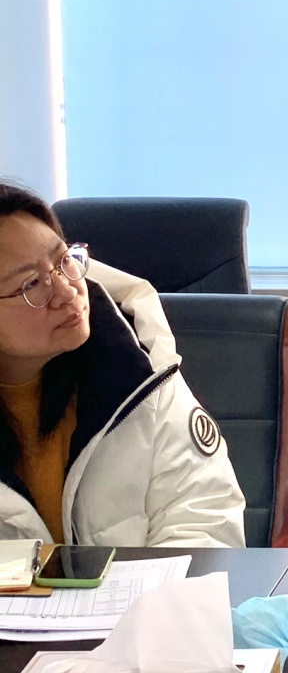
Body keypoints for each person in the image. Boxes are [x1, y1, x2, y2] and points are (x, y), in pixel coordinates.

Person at [0, 183, 245, 547]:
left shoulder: (139, 371)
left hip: (148, 587)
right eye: (32, 283)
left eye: (64, 260)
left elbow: (205, 520)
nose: (67, 292)